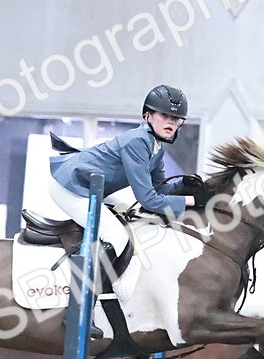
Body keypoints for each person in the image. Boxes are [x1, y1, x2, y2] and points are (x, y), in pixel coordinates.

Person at [48, 85, 198, 269]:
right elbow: (148, 200)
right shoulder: (137, 141)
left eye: (176, 118)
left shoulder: (156, 147)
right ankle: (89, 285)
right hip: (70, 186)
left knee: (128, 217)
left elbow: (158, 189)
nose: (171, 122)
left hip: (91, 187)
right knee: (116, 236)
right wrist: (191, 201)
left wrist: (183, 184)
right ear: (147, 115)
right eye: (164, 115)